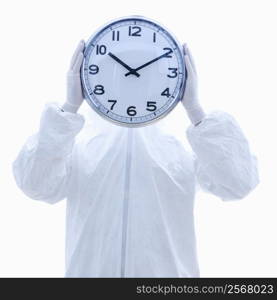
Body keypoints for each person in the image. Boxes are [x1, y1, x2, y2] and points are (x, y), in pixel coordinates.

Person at [13, 41, 259, 277]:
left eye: (147, 66)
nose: (133, 74)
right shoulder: (79, 136)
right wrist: (68, 108)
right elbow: (35, 184)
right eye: (120, 66)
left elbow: (238, 183)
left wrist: (196, 111)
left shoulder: (184, 139)